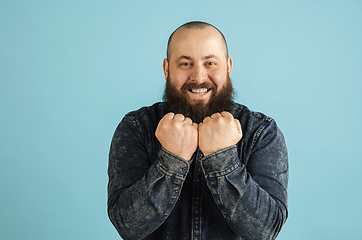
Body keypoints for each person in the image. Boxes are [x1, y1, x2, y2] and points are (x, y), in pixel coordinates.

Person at [107, 21, 288, 240]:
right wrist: (172, 160)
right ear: (167, 69)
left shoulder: (261, 132)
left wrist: (222, 159)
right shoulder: (136, 127)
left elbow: (266, 230)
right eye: (185, 64)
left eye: (210, 63)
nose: (199, 77)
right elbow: (128, 227)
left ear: (228, 67)